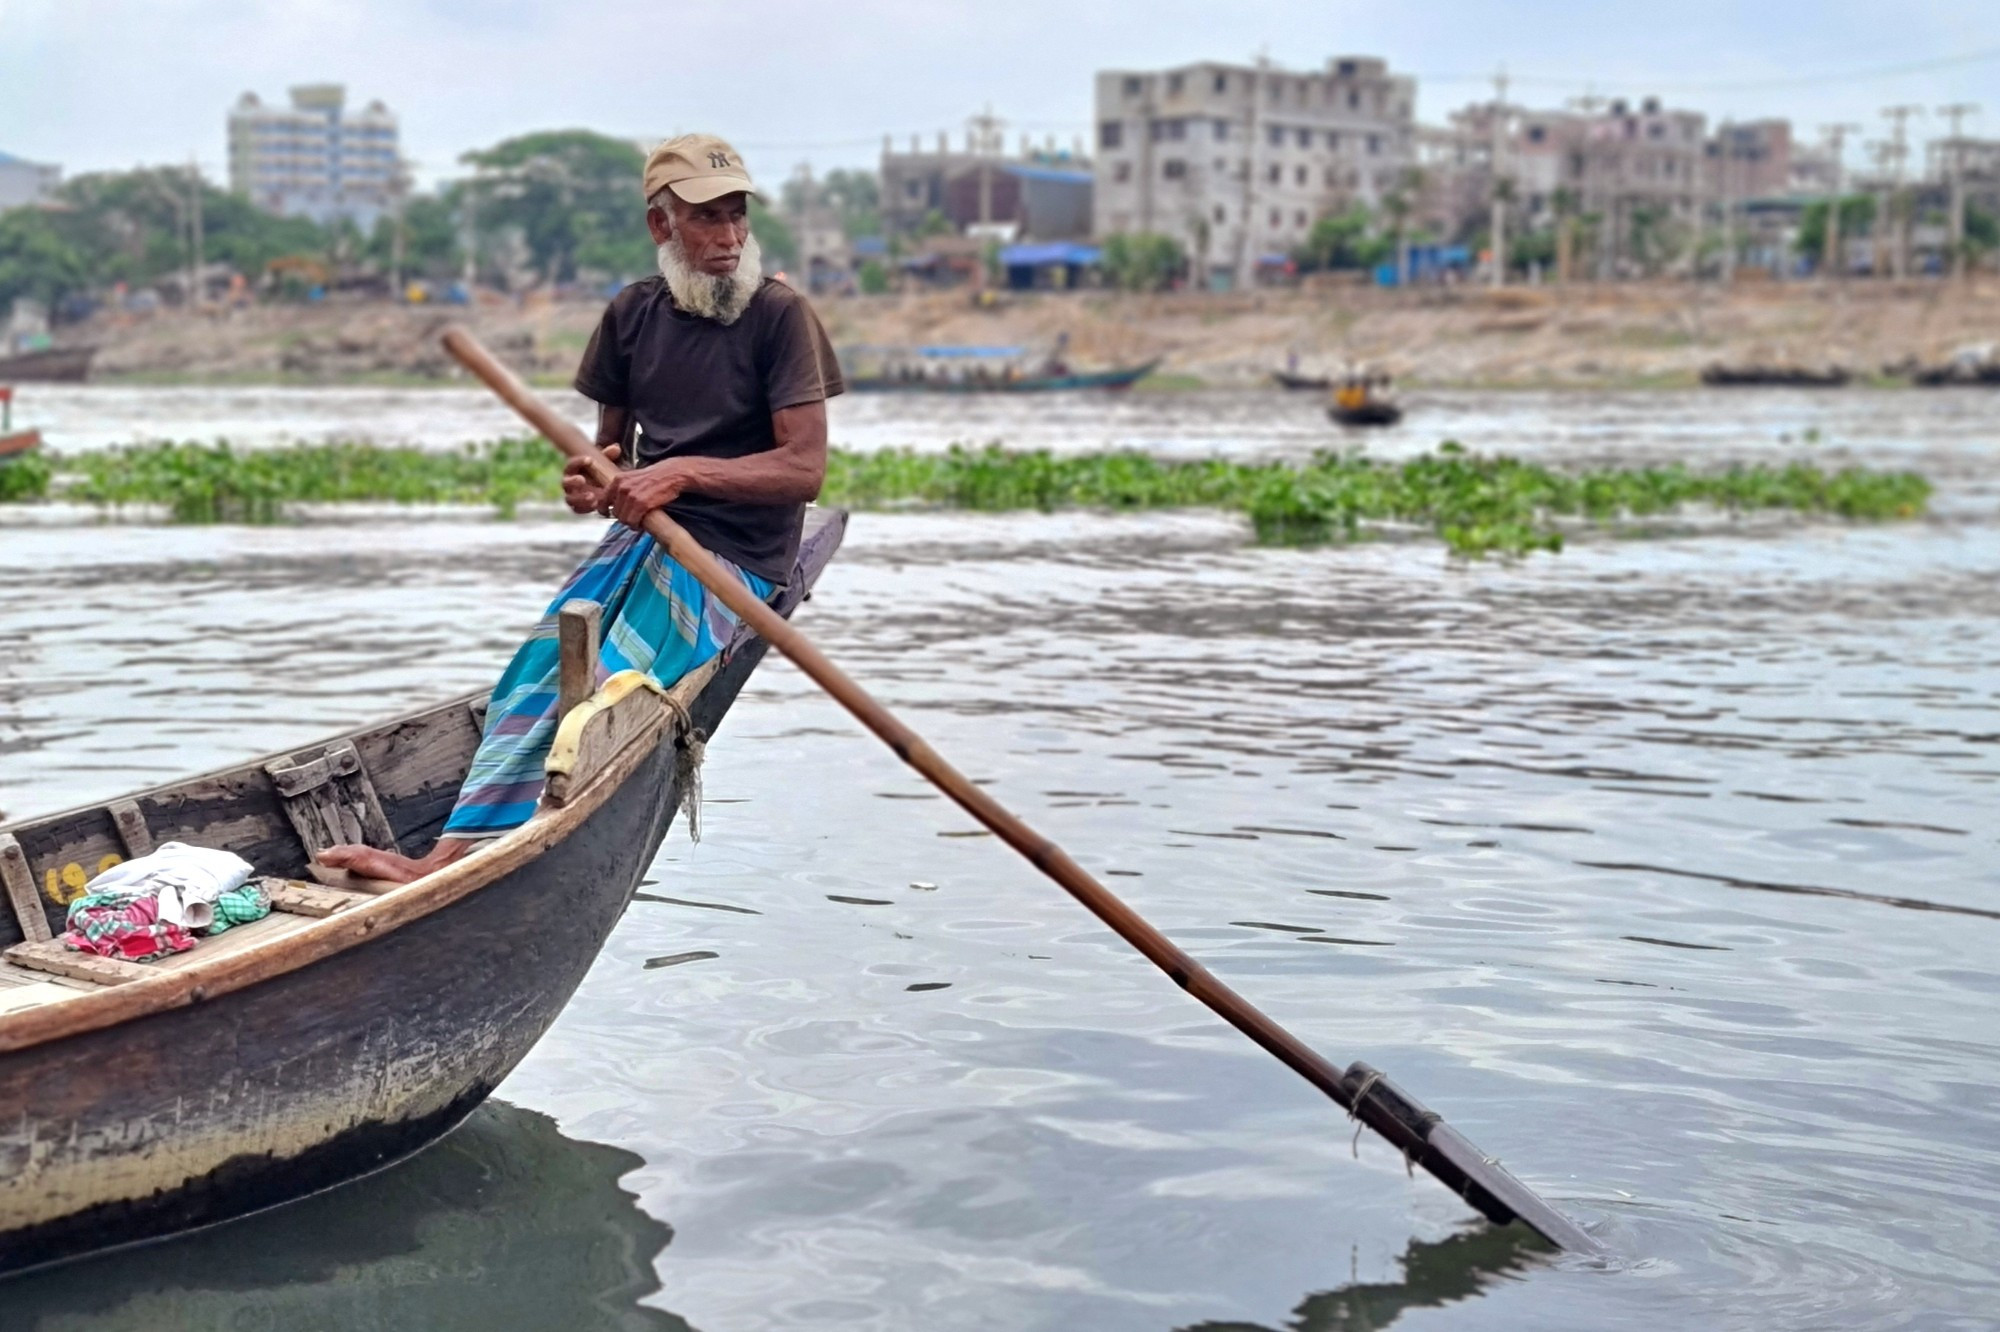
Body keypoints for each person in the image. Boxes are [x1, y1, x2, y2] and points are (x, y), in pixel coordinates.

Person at [318, 134, 843, 884]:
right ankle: (448, 855)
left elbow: (804, 468)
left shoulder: (780, 316)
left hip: (733, 556)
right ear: (662, 227)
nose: (728, 238)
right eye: (706, 220)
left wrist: (681, 476)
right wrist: (596, 483)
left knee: (603, 692)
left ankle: (460, 860)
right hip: (649, 541)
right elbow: (609, 458)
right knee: (535, 672)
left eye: (736, 217)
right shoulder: (631, 315)